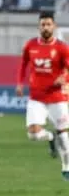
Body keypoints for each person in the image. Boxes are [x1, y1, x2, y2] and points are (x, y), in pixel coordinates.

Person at [16, 11, 69, 180]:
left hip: (56, 97)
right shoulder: (31, 45)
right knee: (33, 134)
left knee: (63, 133)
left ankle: (66, 167)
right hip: (36, 97)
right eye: (43, 24)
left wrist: (65, 78)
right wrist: (19, 83)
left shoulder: (62, 47)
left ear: (54, 26)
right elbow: (23, 64)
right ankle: (50, 137)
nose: (45, 27)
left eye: (48, 24)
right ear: (39, 27)